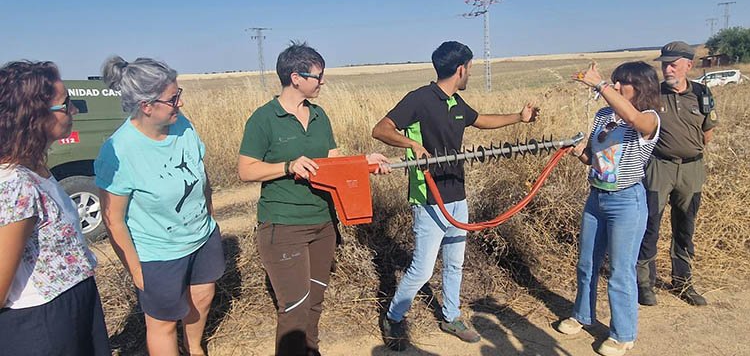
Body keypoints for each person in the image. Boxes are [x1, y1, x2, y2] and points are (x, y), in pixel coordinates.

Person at [371, 41, 539, 350]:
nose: (470, 74)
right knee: (421, 269)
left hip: (457, 196)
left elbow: (481, 120)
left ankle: (451, 316)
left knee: (454, 263)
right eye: (470, 69)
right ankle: (394, 317)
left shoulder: (456, 102)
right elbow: (380, 129)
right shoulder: (419, 99)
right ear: (460, 69)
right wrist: (413, 146)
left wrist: (520, 117)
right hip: (428, 198)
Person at [237, 41, 389, 356]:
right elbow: (246, 170)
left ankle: (311, 350)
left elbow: (334, 161)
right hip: (284, 226)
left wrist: (364, 163)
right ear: (296, 77)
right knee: (294, 307)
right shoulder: (264, 119)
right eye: (317, 76)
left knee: (315, 301)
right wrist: (286, 166)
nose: (323, 82)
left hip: (323, 223)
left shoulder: (319, 116)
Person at [95, 56, 225, 356]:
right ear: (146, 106)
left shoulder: (183, 127)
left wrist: (209, 218)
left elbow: (200, 175)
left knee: (203, 295)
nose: (180, 104)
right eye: (173, 98)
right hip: (159, 252)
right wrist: (136, 269)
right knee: (163, 323)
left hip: (201, 237)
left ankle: (194, 347)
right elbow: (113, 219)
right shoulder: (119, 151)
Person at [0, 61, 110, 355]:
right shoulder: (15, 184)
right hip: (42, 321)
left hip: (72, 303)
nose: (73, 111)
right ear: (34, 116)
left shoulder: (36, 166)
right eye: (66, 104)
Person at [556, 61, 661, 356]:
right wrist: (579, 152)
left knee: (620, 270)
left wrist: (599, 84)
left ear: (640, 87)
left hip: (626, 202)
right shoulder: (603, 115)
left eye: (622, 83)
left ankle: (623, 333)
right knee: (586, 263)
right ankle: (582, 315)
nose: (615, 87)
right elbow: (594, 157)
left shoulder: (648, 118)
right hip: (596, 199)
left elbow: (634, 119)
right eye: (614, 82)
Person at [636, 41, 718, 307]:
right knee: (650, 226)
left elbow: (707, 133)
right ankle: (644, 284)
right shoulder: (653, 95)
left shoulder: (702, 94)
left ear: (688, 66)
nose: (667, 68)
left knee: (685, 227)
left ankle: (683, 283)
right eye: (664, 64)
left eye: (673, 64)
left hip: (692, 169)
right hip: (660, 167)